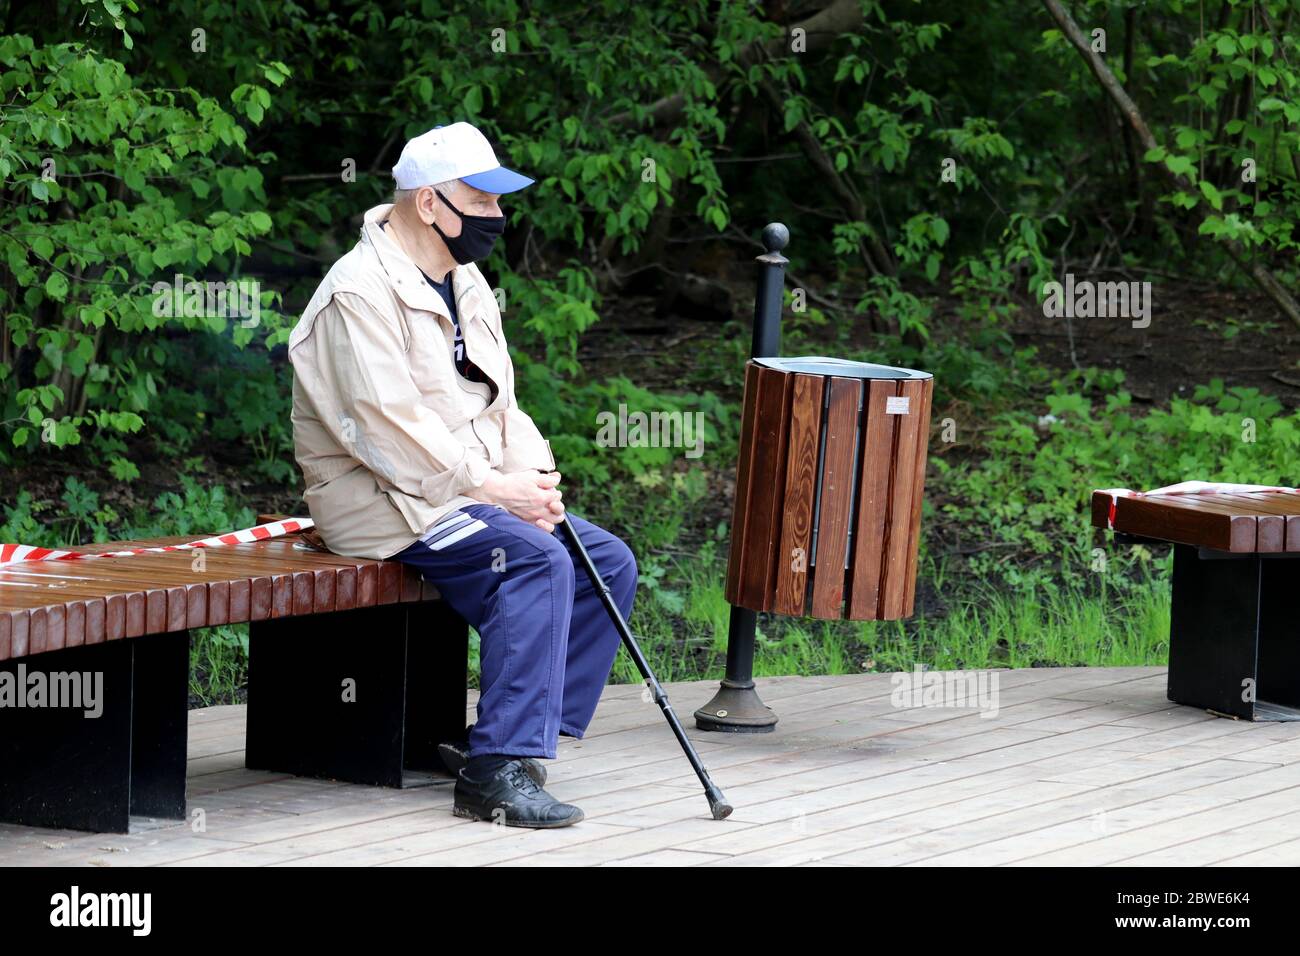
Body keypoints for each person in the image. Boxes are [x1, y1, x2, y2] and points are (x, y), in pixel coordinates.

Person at [286, 121, 637, 828]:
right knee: (534, 563)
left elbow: (499, 402)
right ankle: (493, 774)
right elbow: (386, 432)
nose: (496, 220)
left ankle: (522, 744)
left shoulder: (464, 279)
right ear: (428, 204)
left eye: (499, 205)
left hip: (459, 493)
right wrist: (491, 489)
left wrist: (534, 480)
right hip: (382, 503)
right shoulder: (357, 292)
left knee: (606, 560)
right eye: (481, 204)